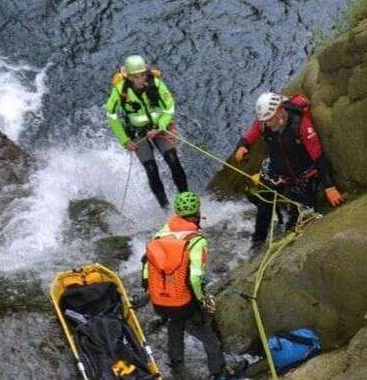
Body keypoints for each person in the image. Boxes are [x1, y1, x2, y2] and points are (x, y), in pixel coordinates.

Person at [234, 92, 345, 250]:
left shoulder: (300, 124)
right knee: (264, 204)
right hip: (277, 171)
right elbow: (251, 134)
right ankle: (257, 242)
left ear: (280, 110)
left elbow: (318, 155)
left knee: (298, 218)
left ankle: (287, 241)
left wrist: (329, 187)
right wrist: (243, 146)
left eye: (270, 119)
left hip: (302, 176)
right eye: (265, 121)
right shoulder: (264, 123)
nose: (268, 124)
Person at [141, 191, 229, 380]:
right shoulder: (197, 241)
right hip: (184, 299)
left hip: (160, 298)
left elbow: (147, 265)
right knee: (207, 333)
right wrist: (199, 301)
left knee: (175, 322)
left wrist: (152, 290)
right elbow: (196, 277)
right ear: (197, 212)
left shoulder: (162, 233)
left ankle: (177, 366)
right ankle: (219, 372)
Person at [105, 55, 188, 208]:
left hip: (160, 128)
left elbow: (169, 107)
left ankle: (186, 198)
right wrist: (124, 140)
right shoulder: (119, 91)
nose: (140, 79)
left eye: (143, 74)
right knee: (151, 168)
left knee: (173, 159)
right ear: (128, 77)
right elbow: (111, 115)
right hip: (137, 133)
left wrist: (160, 126)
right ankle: (165, 207)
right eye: (136, 77)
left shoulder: (156, 84)